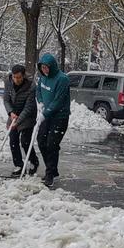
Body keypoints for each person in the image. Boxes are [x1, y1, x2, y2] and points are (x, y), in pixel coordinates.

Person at [36, 53, 70, 188]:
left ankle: (49, 174)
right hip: (46, 114)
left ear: (52, 67)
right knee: (41, 141)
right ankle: (52, 169)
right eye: (42, 68)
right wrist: (40, 103)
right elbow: (39, 91)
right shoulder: (42, 78)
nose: (44, 70)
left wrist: (46, 113)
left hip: (59, 117)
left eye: (47, 68)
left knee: (51, 144)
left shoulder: (62, 79)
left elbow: (58, 101)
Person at [3, 64, 39, 177]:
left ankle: (33, 161)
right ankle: (18, 164)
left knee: (25, 141)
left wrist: (18, 122)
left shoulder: (31, 86)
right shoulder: (8, 82)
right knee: (13, 140)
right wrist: (10, 113)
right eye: (14, 77)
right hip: (13, 113)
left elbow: (29, 107)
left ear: (23, 76)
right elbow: (6, 100)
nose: (16, 80)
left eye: (18, 77)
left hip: (27, 116)